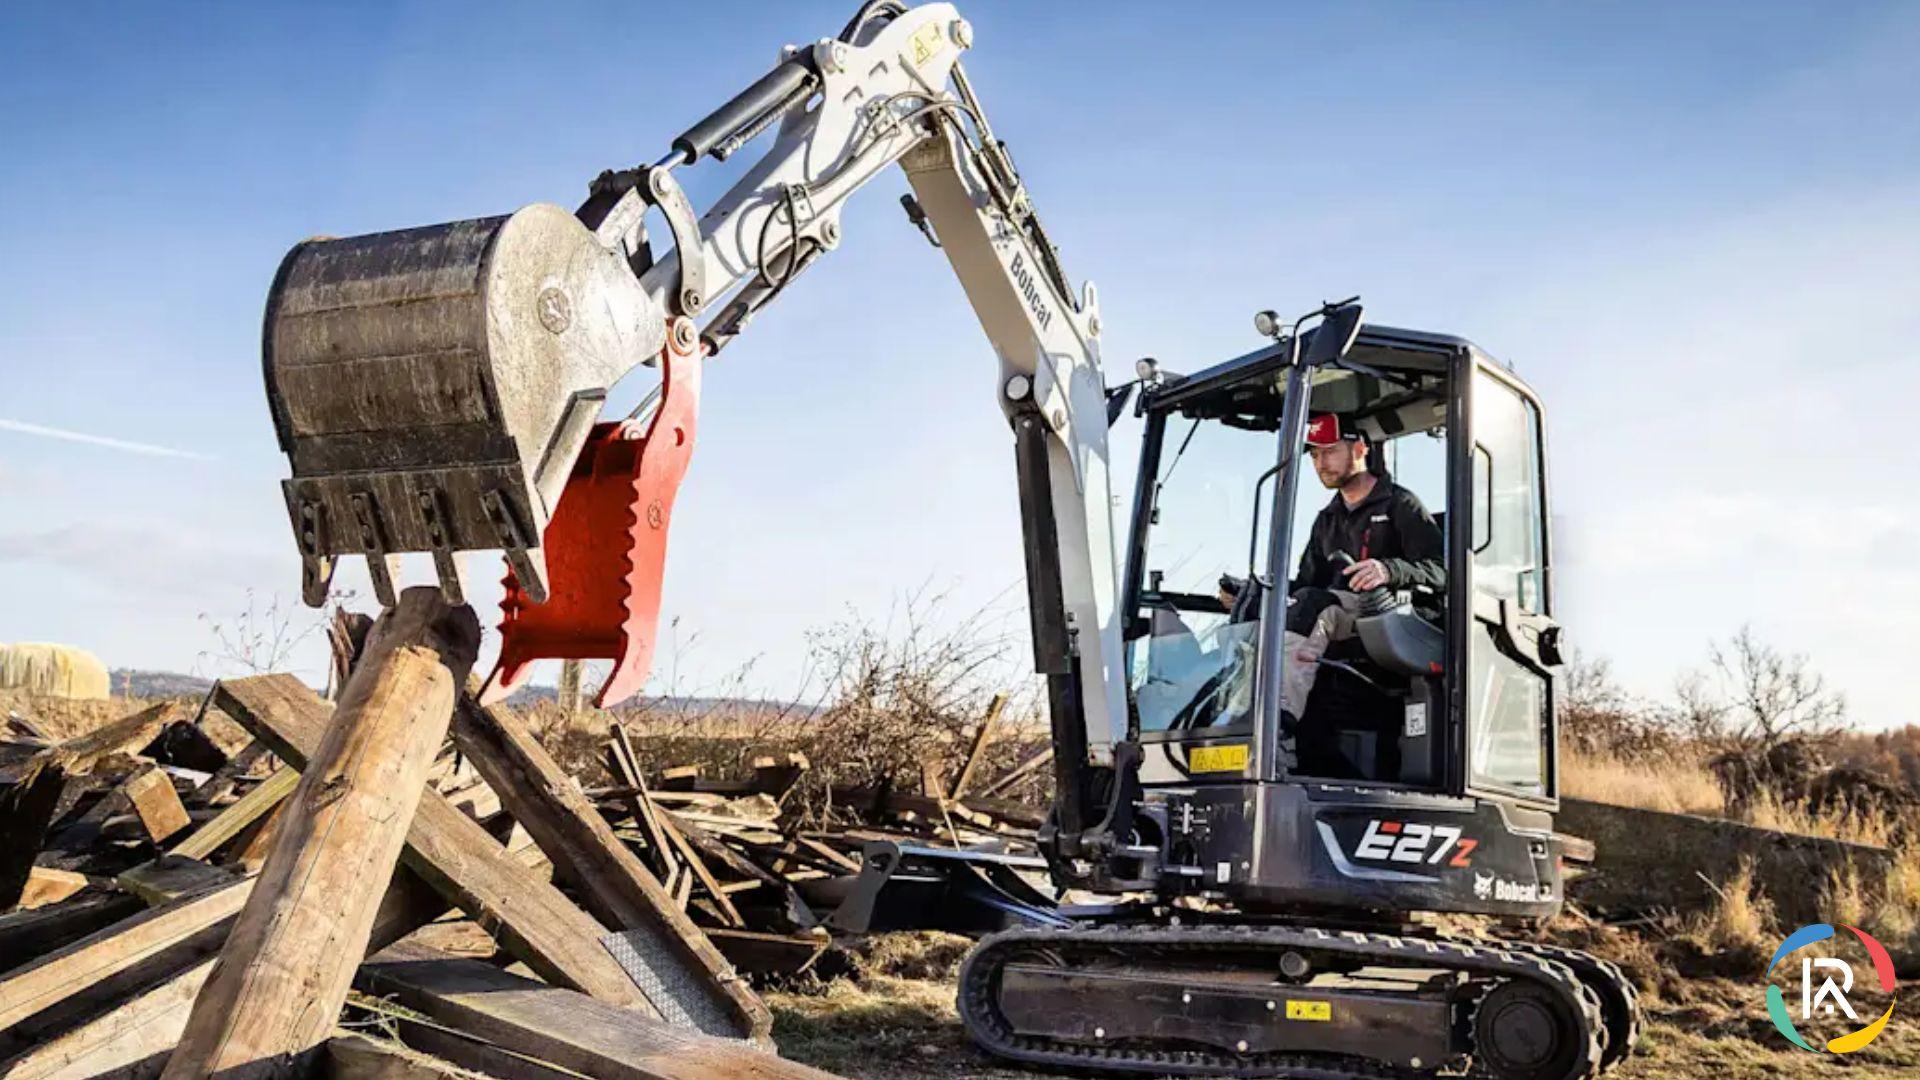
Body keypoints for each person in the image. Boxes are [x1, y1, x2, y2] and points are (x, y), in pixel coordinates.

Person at [1283, 414, 1445, 726]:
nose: (1320, 463)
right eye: (1314, 455)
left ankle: (1279, 723)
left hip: (1392, 614)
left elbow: (1442, 570)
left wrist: (1388, 570)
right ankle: (1237, 718)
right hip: (1339, 613)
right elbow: (1305, 585)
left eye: (1329, 451)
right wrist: (1258, 592)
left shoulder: (1401, 504)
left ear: (1359, 450)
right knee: (1272, 606)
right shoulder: (1327, 519)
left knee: (1316, 607)